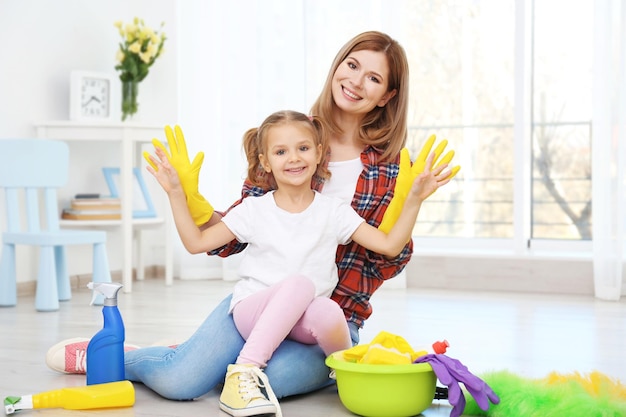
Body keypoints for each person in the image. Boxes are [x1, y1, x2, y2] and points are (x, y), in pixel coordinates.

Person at [46, 31, 459, 402]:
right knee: (181, 383)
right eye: (352, 65)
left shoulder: (390, 168)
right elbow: (242, 226)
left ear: (387, 95)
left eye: (373, 77)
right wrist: (189, 200)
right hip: (260, 301)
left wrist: (410, 202)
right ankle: (132, 357)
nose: (355, 81)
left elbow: (387, 258)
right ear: (337, 67)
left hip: (330, 319)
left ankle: (226, 361)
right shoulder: (291, 135)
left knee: (269, 381)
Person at [147, 109, 449, 416]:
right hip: (253, 310)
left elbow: (389, 244)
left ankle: (348, 371)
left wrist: (413, 199)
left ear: (318, 153)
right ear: (265, 161)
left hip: (304, 321)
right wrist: (176, 193)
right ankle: (243, 369)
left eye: (303, 148)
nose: (294, 158)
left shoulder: (334, 211)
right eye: (281, 151)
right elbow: (196, 243)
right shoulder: (254, 210)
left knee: (330, 311)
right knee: (301, 284)